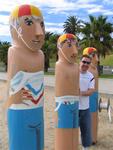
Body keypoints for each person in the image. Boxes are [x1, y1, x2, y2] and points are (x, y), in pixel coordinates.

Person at [5, 4, 45, 150]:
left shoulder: (41, 55)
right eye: (29, 23)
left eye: (41, 24)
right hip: (20, 113)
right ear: (14, 28)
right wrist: (11, 100)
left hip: (38, 111)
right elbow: (9, 86)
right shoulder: (14, 51)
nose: (39, 32)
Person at [55, 33, 79, 150]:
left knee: (75, 130)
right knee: (64, 131)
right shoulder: (59, 65)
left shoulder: (76, 67)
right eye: (69, 45)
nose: (75, 51)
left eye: (76, 45)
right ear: (60, 47)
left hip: (76, 103)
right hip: (63, 105)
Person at [83, 47, 99, 144]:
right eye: (95, 55)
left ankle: (93, 138)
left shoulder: (94, 69)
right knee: (89, 117)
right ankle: (90, 138)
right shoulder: (87, 69)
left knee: (94, 116)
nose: (97, 58)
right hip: (88, 96)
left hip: (94, 95)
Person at [79, 54, 95, 150]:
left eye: (88, 63)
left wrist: (80, 93)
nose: (85, 64)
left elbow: (91, 90)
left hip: (85, 108)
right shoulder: (74, 72)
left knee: (86, 130)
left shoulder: (90, 76)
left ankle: (85, 148)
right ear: (80, 62)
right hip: (72, 108)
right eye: (84, 61)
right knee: (69, 130)